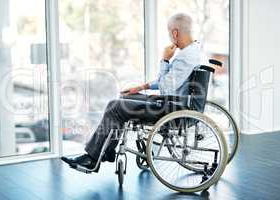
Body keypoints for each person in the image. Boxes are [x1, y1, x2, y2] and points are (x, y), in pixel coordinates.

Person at [61, 13, 202, 170]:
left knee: (115, 106)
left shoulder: (185, 57)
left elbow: (166, 87)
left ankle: (93, 158)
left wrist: (165, 60)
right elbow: (169, 81)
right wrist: (141, 88)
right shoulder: (194, 51)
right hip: (174, 104)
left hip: (171, 109)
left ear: (175, 33)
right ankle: (106, 150)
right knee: (124, 97)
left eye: (169, 33)